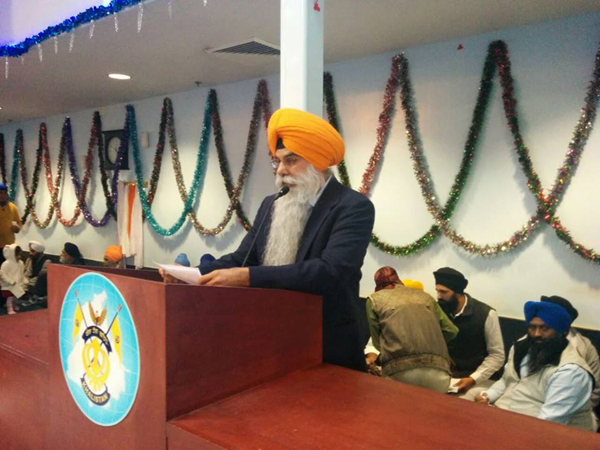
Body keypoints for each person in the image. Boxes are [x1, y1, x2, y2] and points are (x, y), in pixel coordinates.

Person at [164, 108, 375, 371]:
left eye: (291, 160)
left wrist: (248, 277)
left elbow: (332, 271)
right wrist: (193, 274)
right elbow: (242, 258)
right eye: (278, 162)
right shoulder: (272, 204)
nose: (281, 171)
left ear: (318, 162)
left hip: (327, 347)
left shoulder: (352, 206)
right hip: (273, 340)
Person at [475, 300, 595, 431]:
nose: (537, 334)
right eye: (532, 327)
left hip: (544, 432)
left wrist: (499, 423)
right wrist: (488, 395)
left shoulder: (571, 372)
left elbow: (547, 423)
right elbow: (507, 380)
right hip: (506, 417)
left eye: (545, 328)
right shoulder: (521, 349)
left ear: (561, 332)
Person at [366, 266, 458, 392]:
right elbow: (452, 331)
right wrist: (429, 342)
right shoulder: (426, 297)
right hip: (439, 370)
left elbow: (377, 343)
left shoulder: (374, 299)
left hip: (399, 370)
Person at [433, 267, 505, 397]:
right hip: (446, 375)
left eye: (444, 292)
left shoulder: (486, 314)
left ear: (458, 292)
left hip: (478, 378)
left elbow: (497, 356)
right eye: (437, 291)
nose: (439, 296)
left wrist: (473, 379)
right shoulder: (438, 310)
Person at [541, 295, 600, 426]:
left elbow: (595, 390)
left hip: (573, 411)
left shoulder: (585, 348)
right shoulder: (531, 339)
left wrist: (575, 407)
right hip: (535, 403)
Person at [1, 244, 27, 314]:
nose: (19, 257)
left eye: (20, 255)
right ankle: (10, 308)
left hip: (17, 283)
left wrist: (24, 279)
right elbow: (3, 274)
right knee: (10, 298)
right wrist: (10, 281)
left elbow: (21, 273)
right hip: (9, 285)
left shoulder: (21, 263)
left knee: (16, 297)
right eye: (17, 255)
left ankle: (14, 305)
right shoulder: (6, 264)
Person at [0, 183, 22, 264]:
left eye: (4, 193)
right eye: (0, 193)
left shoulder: (13, 207)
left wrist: (17, 228)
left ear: (7, 194)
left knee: (7, 267)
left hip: (8, 246)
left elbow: (19, 222)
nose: (2, 195)